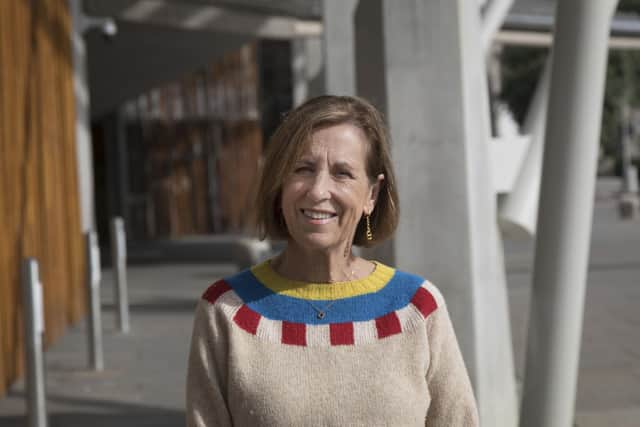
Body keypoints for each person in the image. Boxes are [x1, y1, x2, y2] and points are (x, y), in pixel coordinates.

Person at [186, 95, 479, 426]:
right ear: (279, 184)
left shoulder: (417, 308)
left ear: (372, 194)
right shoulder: (226, 310)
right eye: (302, 169)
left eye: (342, 173)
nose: (317, 191)